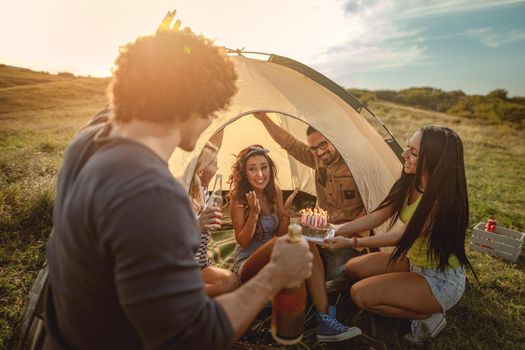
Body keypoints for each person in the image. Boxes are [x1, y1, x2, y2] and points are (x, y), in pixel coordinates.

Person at [44, 11, 313, 350]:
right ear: (188, 105)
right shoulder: (150, 194)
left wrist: (157, 57)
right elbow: (194, 336)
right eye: (212, 108)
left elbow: (114, 107)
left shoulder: (89, 140)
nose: (211, 120)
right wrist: (274, 275)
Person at [324, 126, 475, 344]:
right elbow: (378, 216)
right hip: (412, 261)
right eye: (407, 148)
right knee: (352, 268)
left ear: (433, 161)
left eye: (414, 153)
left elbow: (402, 236)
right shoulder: (410, 181)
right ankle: (409, 297)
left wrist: (351, 241)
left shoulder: (441, 202)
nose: (404, 155)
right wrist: (337, 229)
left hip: (438, 278)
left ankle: (429, 316)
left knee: (360, 295)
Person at [229, 144, 361, 342]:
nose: (260, 174)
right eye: (252, 168)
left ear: (270, 168)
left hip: (274, 260)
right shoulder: (238, 199)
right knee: (298, 238)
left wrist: (285, 213)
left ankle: (324, 318)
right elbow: (243, 241)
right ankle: (322, 318)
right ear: (244, 172)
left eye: (264, 167)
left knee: (308, 241)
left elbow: (280, 232)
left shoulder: (274, 191)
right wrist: (254, 214)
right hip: (248, 265)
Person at [254, 112, 368, 288]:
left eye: (323, 144)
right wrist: (263, 118)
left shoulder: (356, 164)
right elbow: (288, 143)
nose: (320, 152)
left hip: (347, 238)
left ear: (334, 139)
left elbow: (371, 208)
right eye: (314, 148)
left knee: (335, 283)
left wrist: (345, 232)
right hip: (319, 232)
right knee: (287, 255)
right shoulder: (315, 158)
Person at [187, 141, 238, 297]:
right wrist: (198, 225)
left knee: (233, 282)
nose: (217, 168)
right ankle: (183, 294)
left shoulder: (205, 191)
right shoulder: (184, 196)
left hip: (200, 264)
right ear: (201, 170)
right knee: (228, 285)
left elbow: (216, 138)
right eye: (214, 164)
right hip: (183, 268)